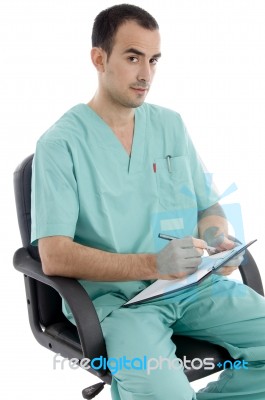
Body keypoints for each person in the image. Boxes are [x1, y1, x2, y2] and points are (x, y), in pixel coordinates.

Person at [31, 4, 265, 400]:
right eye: (133, 57)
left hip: (194, 288)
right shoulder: (60, 146)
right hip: (120, 307)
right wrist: (155, 264)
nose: (146, 75)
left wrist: (215, 239)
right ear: (99, 58)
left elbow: (209, 208)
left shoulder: (169, 125)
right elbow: (54, 257)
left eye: (154, 60)